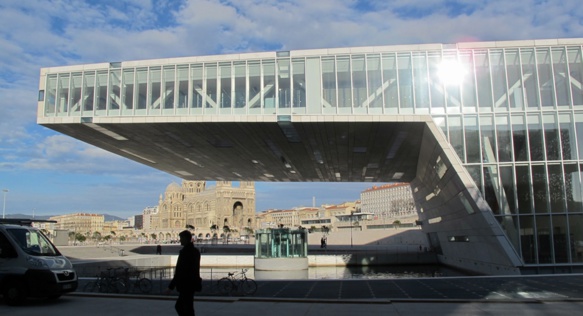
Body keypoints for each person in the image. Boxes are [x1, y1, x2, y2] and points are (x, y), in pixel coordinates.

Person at [164, 230, 201, 316]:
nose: (180, 240)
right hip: (193, 283)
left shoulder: (185, 252)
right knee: (188, 307)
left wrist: (170, 287)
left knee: (180, 306)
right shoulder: (196, 251)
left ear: (185, 238)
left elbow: (180, 270)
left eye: (181, 238)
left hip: (186, 284)